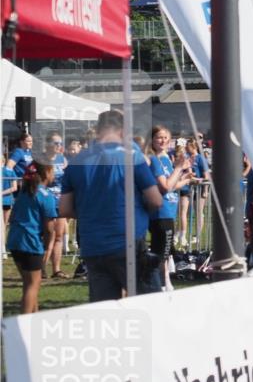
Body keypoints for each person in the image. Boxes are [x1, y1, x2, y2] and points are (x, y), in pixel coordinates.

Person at [60, 109, 164, 302]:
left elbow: (64, 209)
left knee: (104, 313)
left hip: (93, 245)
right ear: (123, 130)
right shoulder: (132, 156)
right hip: (128, 241)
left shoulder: (76, 161)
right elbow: (156, 200)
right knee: (150, 305)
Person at [7, 161, 57, 313]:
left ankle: (34, 319)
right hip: (31, 242)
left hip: (15, 240)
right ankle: (25, 325)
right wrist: (48, 246)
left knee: (29, 283)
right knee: (33, 285)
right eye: (53, 171)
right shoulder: (46, 196)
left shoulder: (24, 192)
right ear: (46, 173)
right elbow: (49, 228)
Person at [148, 126, 194, 290]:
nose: (163, 141)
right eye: (159, 137)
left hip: (169, 210)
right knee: (162, 251)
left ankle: (162, 281)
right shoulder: (153, 160)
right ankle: (162, 283)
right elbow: (165, 187)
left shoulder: (167, 159)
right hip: (161, 211)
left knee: (165, 250)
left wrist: (185, 179)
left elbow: (172, 186)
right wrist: (179, 169)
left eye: (166, 138)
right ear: (152, 140)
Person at [41, 132, 70, 279]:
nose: (59, 146)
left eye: (60, 143)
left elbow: (66, 177)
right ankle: (41, 268)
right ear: (48, 144)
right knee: (48, 236)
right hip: (46, 201)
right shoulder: (42, 159)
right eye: (56, 143)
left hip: (60, 201)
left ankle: (56, 269)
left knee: (59, 236)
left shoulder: (62, 159)